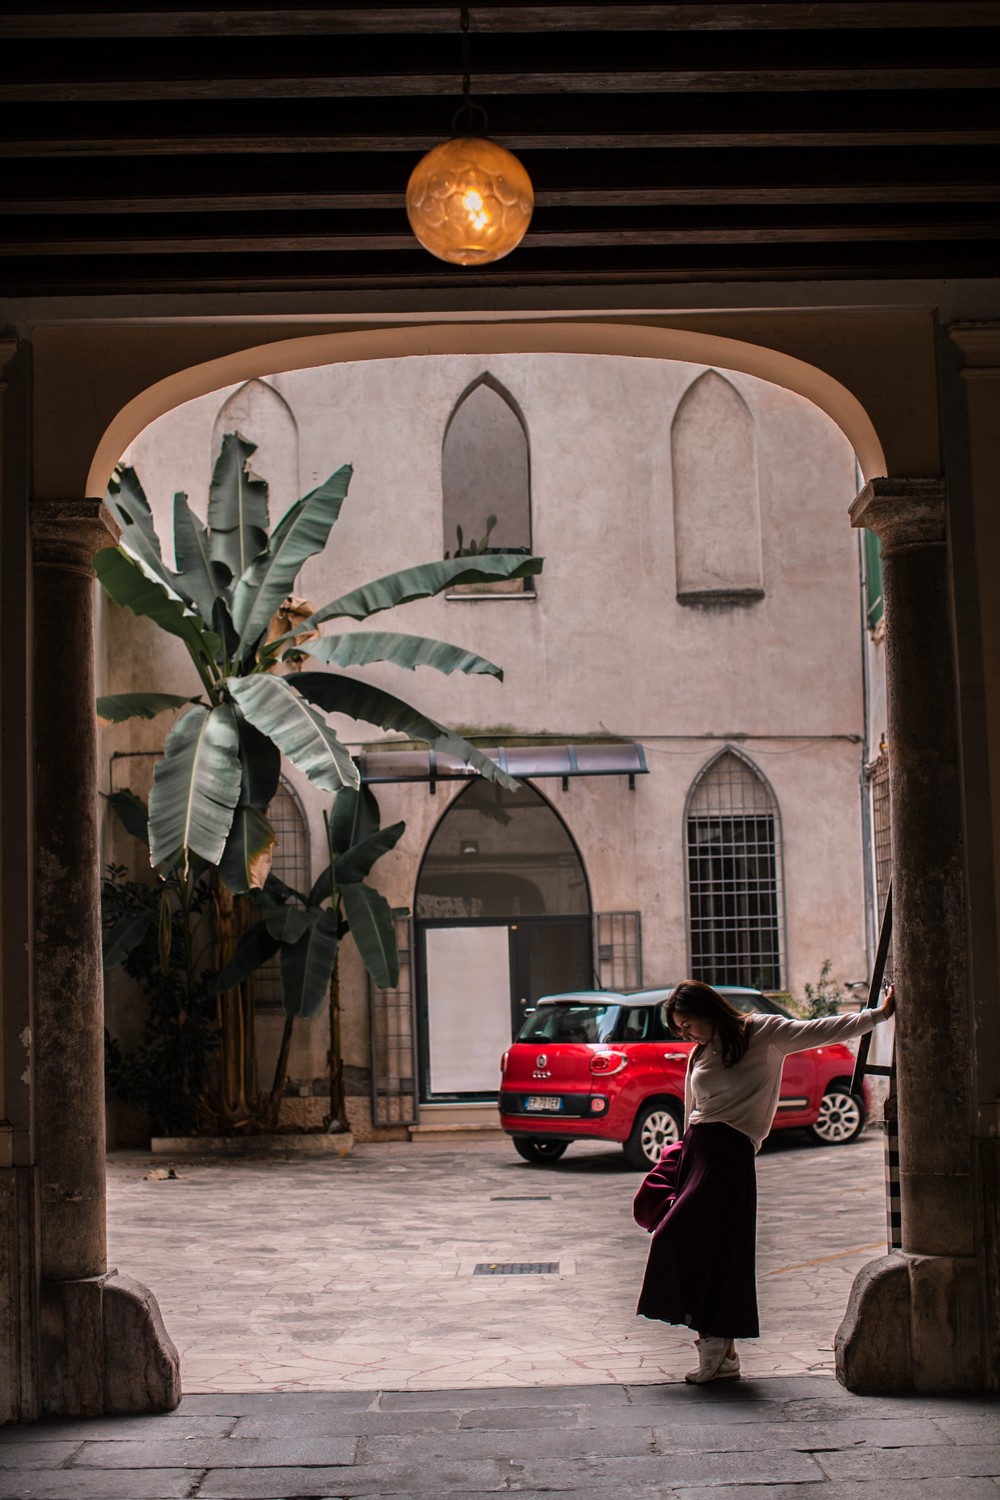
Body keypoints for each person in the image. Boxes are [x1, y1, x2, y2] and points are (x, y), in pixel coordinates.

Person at [636, 978, 896, 1385]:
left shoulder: (763, 1033)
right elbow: (692, 1108)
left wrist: (878, 1015)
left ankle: (718, 1351)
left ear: (708, 1011)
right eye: (679, 1029)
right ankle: (720, 1352)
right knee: (691, 1247)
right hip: (697, 1153)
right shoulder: (700, 1052)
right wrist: (681, 1156)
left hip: (730, 1157)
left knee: (712, 1250)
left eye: (688, 1025)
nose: (685, 1034)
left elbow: (821, 1029)